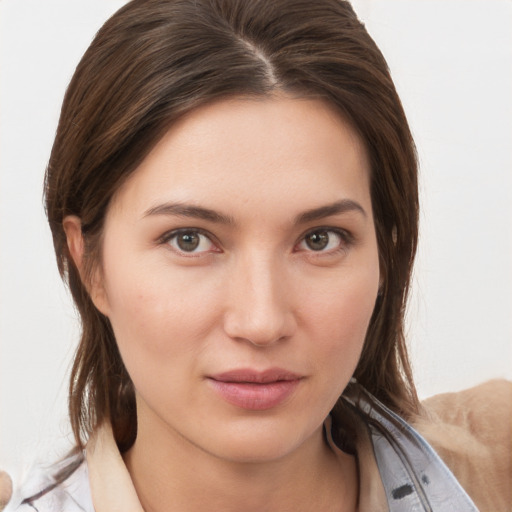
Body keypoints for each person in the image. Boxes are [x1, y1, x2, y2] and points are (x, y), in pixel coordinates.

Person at [3, 0, 510, 511]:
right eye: (189, 240)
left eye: (320, 239)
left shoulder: (494, 475)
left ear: (386, 252)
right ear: (88, 263)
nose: (262, 322)